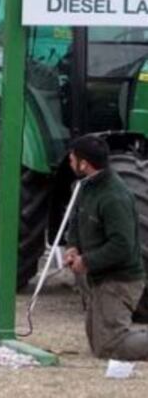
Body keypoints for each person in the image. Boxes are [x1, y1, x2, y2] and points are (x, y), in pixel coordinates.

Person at [64, 134, 148, 360]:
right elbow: (76, 218)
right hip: (100, 276)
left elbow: (122, 245)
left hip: (120, 279)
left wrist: (87, 261)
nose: (70, 162)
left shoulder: (114, 197)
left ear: (84, 164)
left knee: (112, 346)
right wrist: (72, 246)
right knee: (97, 342)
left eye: (73, 159)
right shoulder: (86, 186)